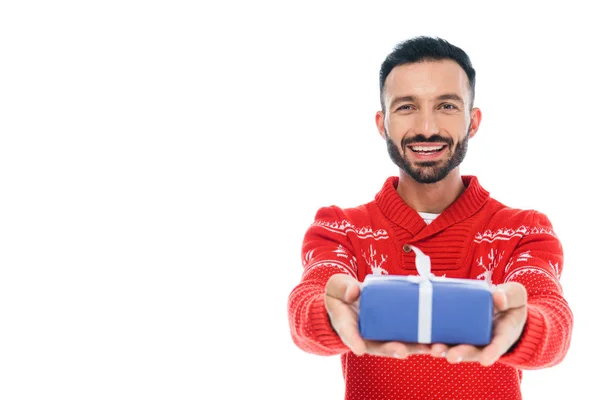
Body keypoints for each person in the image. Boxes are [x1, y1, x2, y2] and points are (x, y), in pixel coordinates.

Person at [286, 36, 573, 400]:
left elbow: (554, 320)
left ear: (473, 121)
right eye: (406, 107)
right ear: (382, 123)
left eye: (447, 106)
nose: (426, 127)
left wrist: (522, 326)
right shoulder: (339, 227)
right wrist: (328, 314)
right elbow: (307, 303)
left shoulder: (523, 230)